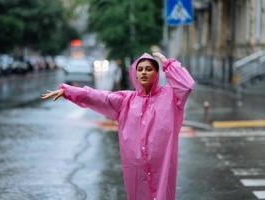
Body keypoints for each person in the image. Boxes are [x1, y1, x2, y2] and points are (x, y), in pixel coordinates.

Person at [42, 52, 195, 200]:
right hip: (136, 167)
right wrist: (68, 91)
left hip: (163, 167)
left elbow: (187, 85)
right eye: (140, 69)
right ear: (134, 74)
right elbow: (97, 96)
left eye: (149, 69)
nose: (143, 73)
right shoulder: (126, 100)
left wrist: (168, 64)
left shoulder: (171, 97)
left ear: (156, 73)